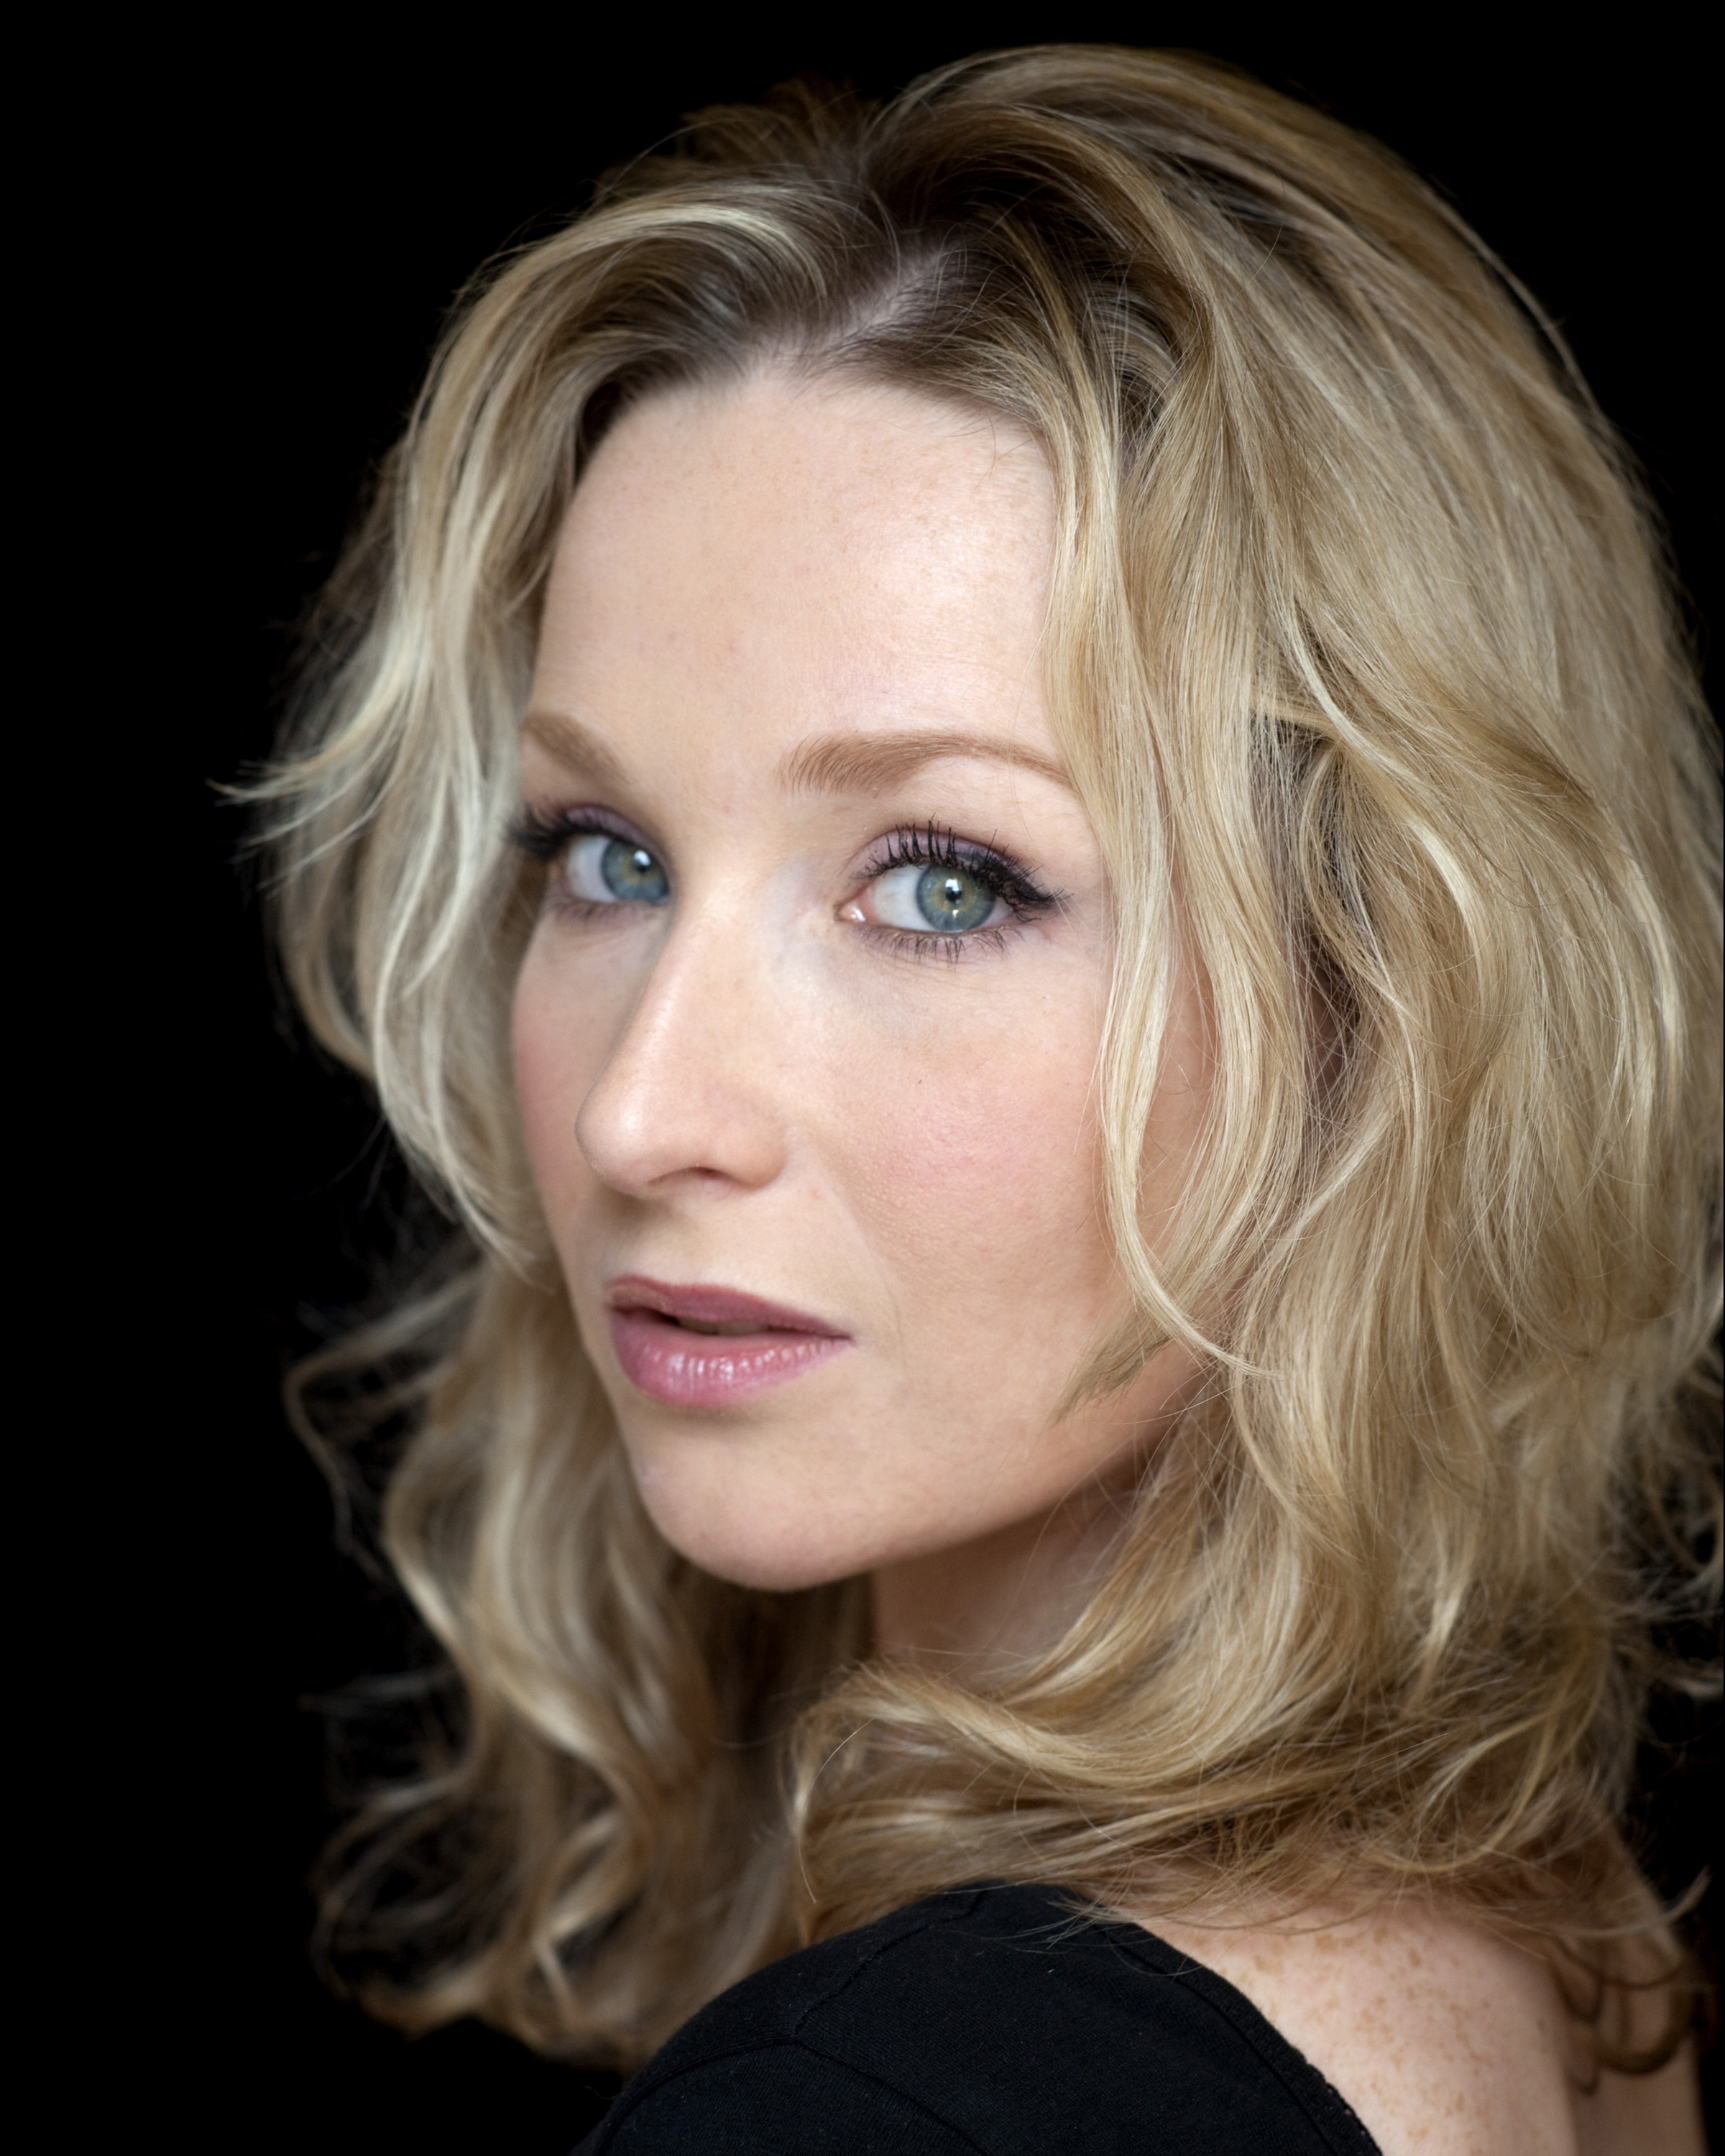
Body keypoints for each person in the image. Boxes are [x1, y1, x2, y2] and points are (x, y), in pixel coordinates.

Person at [258, 47, 1720, 2153]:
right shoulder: (1542, 1943)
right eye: (606, 854)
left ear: (1388, 992)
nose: (638, 1114)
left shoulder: (907, 2107)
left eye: (945, 884)